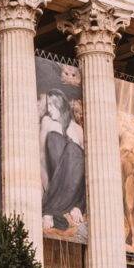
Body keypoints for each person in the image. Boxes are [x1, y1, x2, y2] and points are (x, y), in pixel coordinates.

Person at [40, 89, 86, 234]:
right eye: (48, 105)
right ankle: (53, 208)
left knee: (74, 150)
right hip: (55, 185)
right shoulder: (47, 122)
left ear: (61, 105)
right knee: (57, 140)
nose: (49, 109)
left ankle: (75, 206)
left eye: (52, 105)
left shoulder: (78, 129)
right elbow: (41, 159)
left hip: (74, 188)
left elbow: (85, 172)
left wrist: (80, 204)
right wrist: (48, 191)